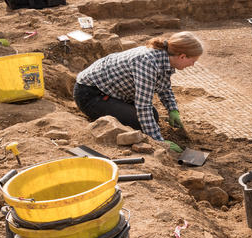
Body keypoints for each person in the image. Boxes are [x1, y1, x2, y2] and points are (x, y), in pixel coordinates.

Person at [73, 32, 202, 152]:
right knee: (138, 122)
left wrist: (172, 109)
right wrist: (159, 141)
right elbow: (143, 106)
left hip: (111, 91)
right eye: (193, 61)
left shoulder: (164, 57)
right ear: (182, 56)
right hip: (90, 94)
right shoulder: (147, 62)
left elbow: (164, 86)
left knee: (153, 116)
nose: (192, 65)